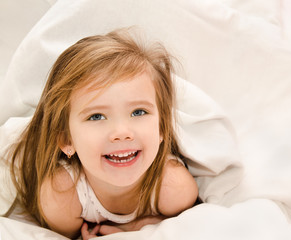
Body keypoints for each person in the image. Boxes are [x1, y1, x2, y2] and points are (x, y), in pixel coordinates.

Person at [7, 28, 199, 239]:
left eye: (138, 112)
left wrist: (141, 227)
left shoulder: (174, 189)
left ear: (162, 127)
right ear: (66, 139)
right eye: (96, 116)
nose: (121, 133)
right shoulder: (62, 197)